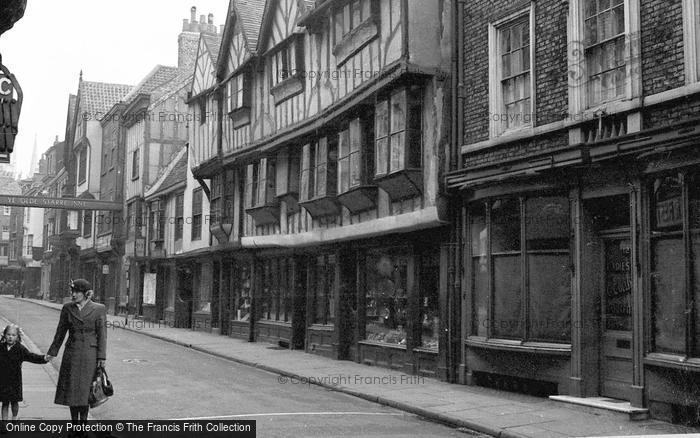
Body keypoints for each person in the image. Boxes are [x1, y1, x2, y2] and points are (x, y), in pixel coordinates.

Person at [46, 279, 107, 423]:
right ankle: (75, 424)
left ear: (86, 293)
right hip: (72, 353)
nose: (73, 295)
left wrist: (101, 358)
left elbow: (102, 335)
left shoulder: (99, 309)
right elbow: (60, 332)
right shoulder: (67, 308)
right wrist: (52, 352)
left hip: (89, 355)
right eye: (72, 292)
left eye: (76, 292)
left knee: (85, 390)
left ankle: (83, 423)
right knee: (72, 390)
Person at [0, 324, 48, 426]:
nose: (10, 337)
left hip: (15, 380)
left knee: (14, 402)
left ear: (17, 337)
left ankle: (14, 419)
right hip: (3, 380)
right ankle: (4, 424)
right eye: (8, 334)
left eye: (13, 335)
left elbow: (31, 356)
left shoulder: (20, 349)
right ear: (4, 335)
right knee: (4, 403)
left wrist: (44, 358)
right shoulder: (1, 347)